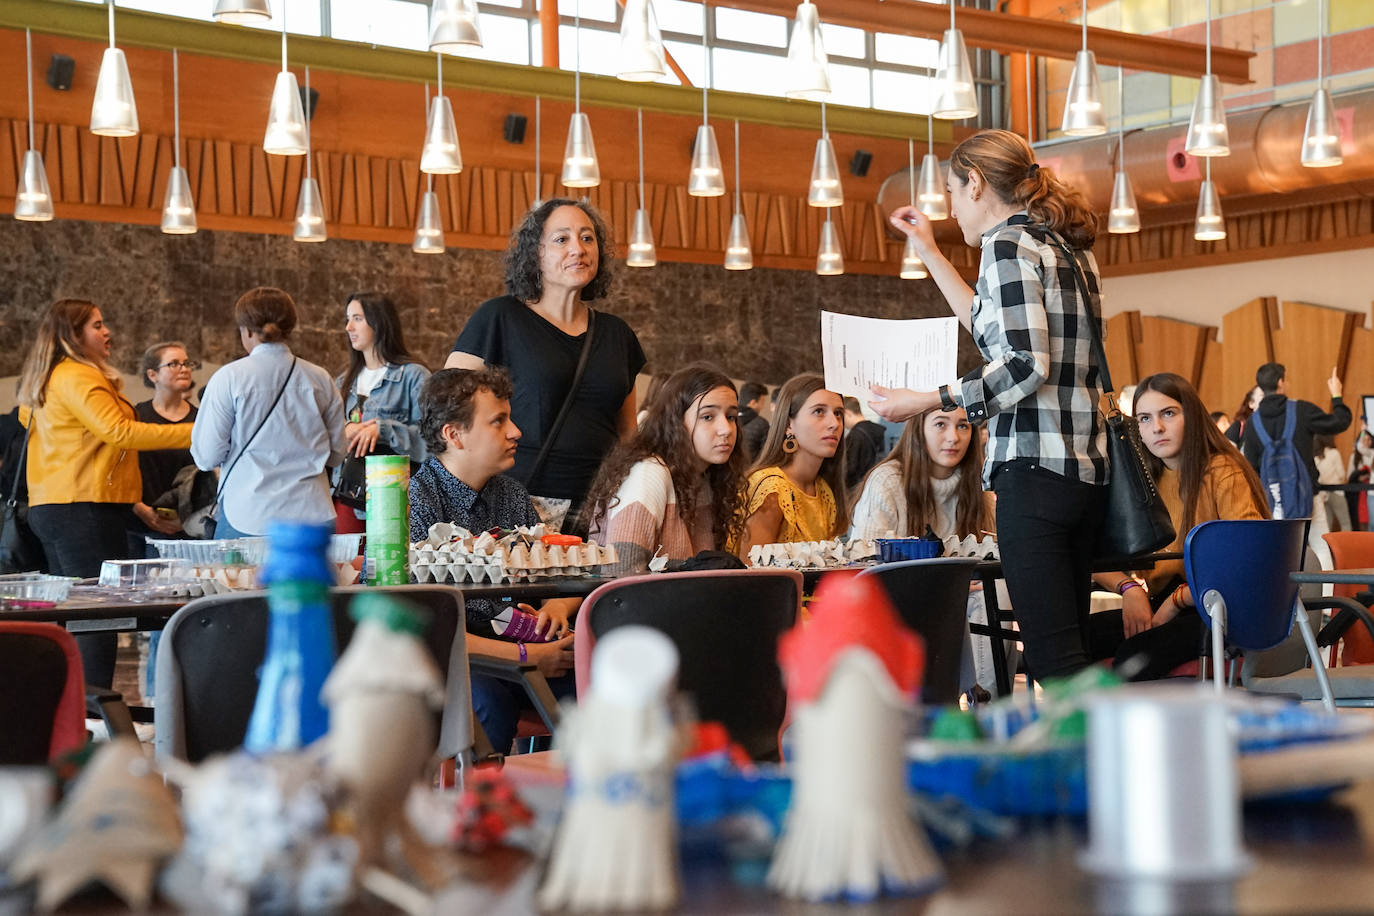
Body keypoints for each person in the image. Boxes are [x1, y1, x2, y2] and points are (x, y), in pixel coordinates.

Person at [877, 128, 1108, 682]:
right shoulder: (1066, 248)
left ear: (976, 184)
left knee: (1054, 662)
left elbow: (1026, 364)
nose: (952, 208)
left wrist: (929, 399)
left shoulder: (1007, 248)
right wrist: (929, 251)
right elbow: (990, 324)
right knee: (1071, 652)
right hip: (1085, 473)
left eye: (953, 192)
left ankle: (1081, 766)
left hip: (1033, 471)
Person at [16, 299, 193, 687]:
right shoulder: (78, 376)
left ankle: (79, 716)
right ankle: (93, 720)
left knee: (79, 620)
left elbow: (80, 448)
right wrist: (200, 429)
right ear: (72, 334)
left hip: (64, 505)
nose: (107, 331)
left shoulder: (54, 377)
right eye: (97, 325)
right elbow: (121, 432)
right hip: (81, 509)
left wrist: (133, 504)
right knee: (96, 619)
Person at [446, 198, 646, 534]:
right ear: (535, 253)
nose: (578, 249)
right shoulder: (500, 318)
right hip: (519, 504)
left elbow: (627, 435)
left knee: (599, 590)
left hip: (603, 508)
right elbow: (447, 408)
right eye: (561, 239)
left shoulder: (617, 334)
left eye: (587, 238)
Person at [408, 367, 577, 754]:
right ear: (454, 435)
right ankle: (481, 806)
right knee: (485, 701)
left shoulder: (512, 495)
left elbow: (554, 578)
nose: (516, 431)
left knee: (597, 682)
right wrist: (529, 657)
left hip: (520, 645)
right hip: (455, 657)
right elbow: (430, 626)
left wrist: (554, 606)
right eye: (499, 421)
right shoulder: (415, 502)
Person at [1089, 373, 1268, 679]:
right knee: (1068, 644)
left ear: (1193, 416)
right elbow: (1091, 554)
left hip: (1221, 609)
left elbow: (1247, 562)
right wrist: (1129, 587)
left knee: (1134, 657)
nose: (1156, 427)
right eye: (1144, 419)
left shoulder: (1222, 470)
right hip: (1165, 602)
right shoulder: (1146, 480)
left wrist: (1176, 601)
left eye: (1168, 414)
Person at [192, 287, 348, 538]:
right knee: (312, 580)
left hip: (248, 516)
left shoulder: (229, 378)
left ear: (247, 330)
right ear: (290, 327)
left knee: (240, 579)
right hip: (312, 516)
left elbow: (206, 456)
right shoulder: (320, 378)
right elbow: (337, 453)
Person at [583, 363, 747, 575]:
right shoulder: (650, 474)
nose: (726, 429)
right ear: (676, 422)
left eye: (731, 417)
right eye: (707, 417)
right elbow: (620, 577)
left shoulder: (707, 477)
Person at [334, 292, 431, 531]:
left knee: (389, 566)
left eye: (357, 318)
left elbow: (435, 441)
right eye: (348, 319)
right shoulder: (342, 382)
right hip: (346, 496)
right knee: (348, 566)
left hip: (394, 499)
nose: (348, 327)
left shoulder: (413, 377)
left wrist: (384, 430)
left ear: (379, 322)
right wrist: (345, 429)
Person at [737, 373, 848, 556]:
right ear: (789, 424)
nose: (834, 423)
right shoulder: (771, 487)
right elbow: (752, 577)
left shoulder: (823, 488)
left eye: (838, 413)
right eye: (819, 411)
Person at [850, 405, 994, 541]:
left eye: (963, 426)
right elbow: (866, 560)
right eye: (940, 424)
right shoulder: (887, 480)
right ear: (919, 429)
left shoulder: (979, 482)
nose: (953, 438)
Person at [1240, 362, 1351, 514]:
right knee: (1320, 537)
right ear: (1281, 382)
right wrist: (1337, 395)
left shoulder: (1253, 422)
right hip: (1307, 497)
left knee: (1281, 539)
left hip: (1273, 502)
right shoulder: (1301, 410)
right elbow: (1340, 422)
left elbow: (1251, 467)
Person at [132, 341, 200, 545]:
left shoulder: (202, 418)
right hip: (140, 525)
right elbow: (121, 470)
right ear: (152, 375)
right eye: (174, 364)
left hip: (190, 528)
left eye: (187, 363)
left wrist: (187, 518)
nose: (184, 369)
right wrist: (139, 508)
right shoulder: (136, 416)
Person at [840, 396, 887, 492]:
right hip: (878, 486)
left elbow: (850, 469)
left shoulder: (855, 435)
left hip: (859, 490)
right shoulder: (881, 429)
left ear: (847, 413)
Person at [737, 381, 771, 461]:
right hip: (751, 472)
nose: (762, 407)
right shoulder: (762, 424)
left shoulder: (728, 418)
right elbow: (766, 456)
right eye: (762, 402)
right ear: (753, 403)